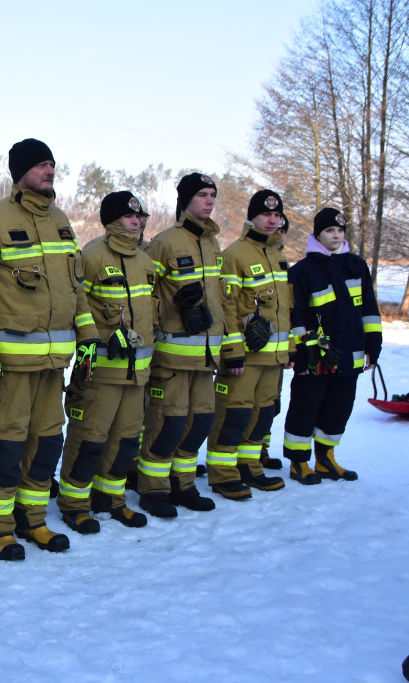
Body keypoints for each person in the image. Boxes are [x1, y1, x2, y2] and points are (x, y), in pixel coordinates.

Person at [0, 138, 99, 560]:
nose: (49, 171)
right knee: (6, 445)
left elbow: (75, 287)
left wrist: (88, 336)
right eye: (40, 165)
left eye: (52, 164)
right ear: (19, 172)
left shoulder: (60, 221)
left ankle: (32, 519)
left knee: (46, 443)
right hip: (10, 364)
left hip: (54, 364)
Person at [136, 173, 236, 518]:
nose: (209, 201)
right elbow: (142, 293)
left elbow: (221, 299)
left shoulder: (212, 244)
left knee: (199, 424)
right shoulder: (165, 242)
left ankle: (184, 484)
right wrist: (172, 307)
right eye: (202, 195)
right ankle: (153, 490)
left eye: (212, 196)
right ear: (185, 200)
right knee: (168, 425)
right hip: (173, 357)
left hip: (206, 357)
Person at [59, 191, 157, 534]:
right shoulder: (91, 256)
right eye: (129, 216)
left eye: (139, 216)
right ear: (113, 221)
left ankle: (111, 499)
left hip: (136, 373)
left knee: (126, 440)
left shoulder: (145, 263)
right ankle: (74, 503)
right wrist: (99, 335)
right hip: (100, 370)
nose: (137, 221)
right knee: (90, 439)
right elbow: (78, 307)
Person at [204, 190, 293, 500]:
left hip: (274, 359)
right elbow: (226, 308)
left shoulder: (278, 256)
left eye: (276, 215)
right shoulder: (235, 255)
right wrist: (232, 352)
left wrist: (290, 348)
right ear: (252, 217)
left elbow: (285, 309)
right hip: (245, 357)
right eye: (266, 214)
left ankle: (250, 467)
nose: (272, 220)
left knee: (263, 415)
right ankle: (223, 474)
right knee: (234, 415)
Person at [282, 208, 381, 483]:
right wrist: (303, 348)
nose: (336, 236)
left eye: (340, 231)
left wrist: (374, 342)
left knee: (340, 407)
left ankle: (326, 459)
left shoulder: (356, 265)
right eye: (329, 231)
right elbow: (296, 313)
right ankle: (298, 463)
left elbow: (369, 309)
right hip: (317, 355)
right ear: (317, 234)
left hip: (350, 351)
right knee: (306, 406)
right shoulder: (302, 271)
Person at [258, 214, 290, 471]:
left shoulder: (282, 265)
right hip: (256, 352)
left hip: (278, 354)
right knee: (248, 407)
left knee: (272, 405)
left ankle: (263, 449)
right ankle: (247, 453)